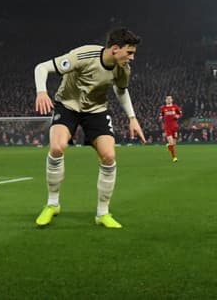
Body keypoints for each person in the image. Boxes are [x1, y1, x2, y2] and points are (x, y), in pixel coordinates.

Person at [32, 26, 146, 229]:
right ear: (115, 49)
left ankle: (102, 213)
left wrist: (132, 118)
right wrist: (41, 92)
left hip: (96, 111)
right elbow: (41, 68)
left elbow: (121, 91)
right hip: (68, 106)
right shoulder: (83, 55)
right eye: (129, 52)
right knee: (57, 148)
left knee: (109, 156)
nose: (132, 58)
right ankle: (52, 204)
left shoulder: (123, 69)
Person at [160, 94, 183, 162]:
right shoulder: (163, 108)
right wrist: (161, 117)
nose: (169, 100)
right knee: (171, 142)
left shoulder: (175, 107)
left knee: (174, 143)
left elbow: (180, 114)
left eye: (170, 99)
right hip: (167, 127)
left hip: (174, 126)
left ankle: (169, 146)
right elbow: (162, 115)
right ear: (165, 100)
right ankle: (174, 157)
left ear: (172, 100)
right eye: (167, 99)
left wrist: (178, 116)